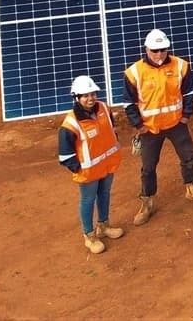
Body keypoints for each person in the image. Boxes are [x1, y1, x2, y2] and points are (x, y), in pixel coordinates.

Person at [124, 28, 193, 225]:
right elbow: (129, 103)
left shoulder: (181, 66)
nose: (159, 54)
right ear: (146, 49)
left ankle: (192, 188)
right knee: (148, 167)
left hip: (176, 124)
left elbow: (189, 93)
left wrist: (186, 115)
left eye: (163, 49)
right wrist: (139, 125)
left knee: (189, 158)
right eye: (155, 50)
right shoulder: (134, 72)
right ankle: (147, 201)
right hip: (150, 128)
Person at [58, 75, 123, 254]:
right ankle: (89, 235)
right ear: (77, 98)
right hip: (88, 172)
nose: (90, 98)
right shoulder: (70, 123)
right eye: (85, 95)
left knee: (105, 194)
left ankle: (103, 225)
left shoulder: (103, 107)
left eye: (92, 94)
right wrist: (79, 168)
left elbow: (111, 129)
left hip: (108, 164)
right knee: (88, 200)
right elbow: (65, 155)